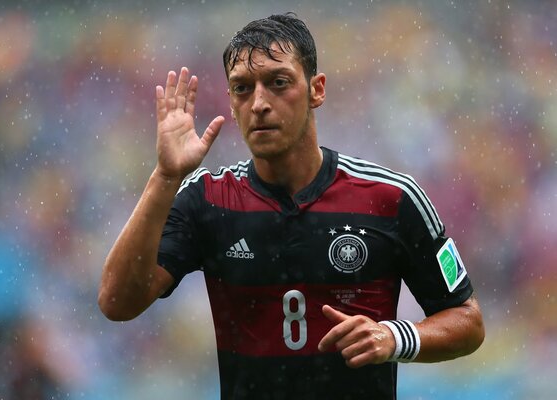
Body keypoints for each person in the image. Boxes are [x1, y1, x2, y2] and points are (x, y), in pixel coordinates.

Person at [98, 13, 485, 399]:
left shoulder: (392, 197)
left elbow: (468, 322)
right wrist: (165, 176)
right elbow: (117, 303)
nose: (259, 103)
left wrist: (395, 336)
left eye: (278, 83)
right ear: (231, 103)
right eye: (242, 89)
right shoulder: (208, 199)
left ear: (317, 90)